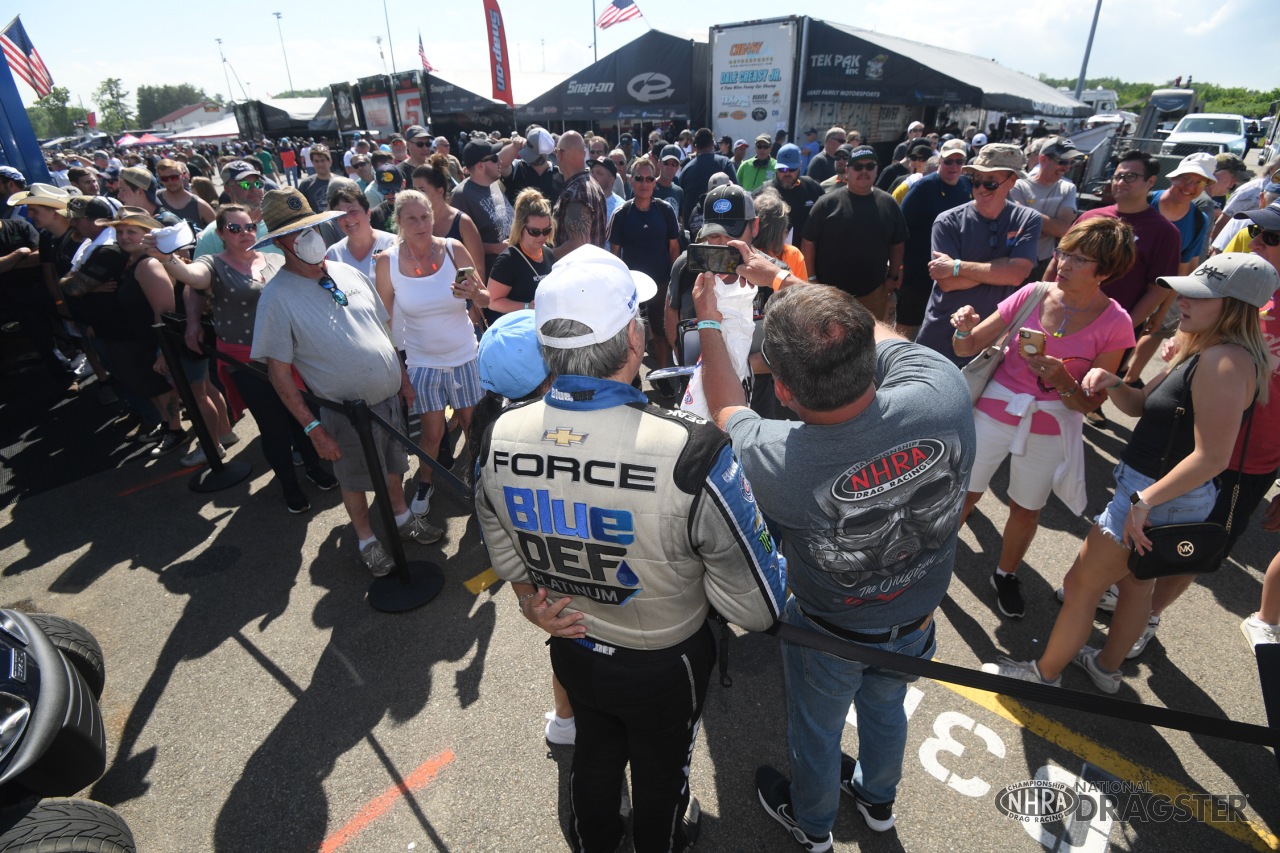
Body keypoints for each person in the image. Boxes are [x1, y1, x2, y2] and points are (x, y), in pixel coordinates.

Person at [473, 245, 785, 853]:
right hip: (664, 659)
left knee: (593, 750)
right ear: (635, 342)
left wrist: (528, 602)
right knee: (662, 774)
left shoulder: (499, 435)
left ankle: (594, 840)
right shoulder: (693, 451)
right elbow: (760, 608)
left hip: (572, 643)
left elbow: (503, 543)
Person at [691, 242, 974, 849]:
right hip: (918, 613)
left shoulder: (774, 458)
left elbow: (724, 407)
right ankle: (878, 801)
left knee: (816, 732)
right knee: (886, 706)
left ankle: (813, 825)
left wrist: (710, 321)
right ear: (869, 358)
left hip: (829, 629)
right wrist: (789, 281)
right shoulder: (942, 387)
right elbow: (871, 328)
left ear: (786, 393)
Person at [985, 253, 1275, 693]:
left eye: (1199, 295)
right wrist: (1115, 383)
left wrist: (1144, 501)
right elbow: (1141, 407)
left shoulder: (1224, 361)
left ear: (1234, 307)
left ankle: (1042, 675)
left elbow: (1213, 456)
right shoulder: (1209, 350)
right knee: (1136, 586)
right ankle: (1106, 668)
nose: (1182, 300)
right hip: (1163, 495)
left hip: (1154, 497)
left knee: (1080, 584)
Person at [950, 218, 1137, 618]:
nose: (1064, 263)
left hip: (1052, 421)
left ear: (1104, 271)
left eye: (1079, 258)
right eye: (1063, 252)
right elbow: (969, 347)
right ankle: (934, 560)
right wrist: (963, 328)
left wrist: (1062, 378)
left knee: (1027, 507)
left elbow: (1088, 405)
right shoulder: (1033, 293)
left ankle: (1006, 573)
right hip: (995, 408)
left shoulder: (1116, 321)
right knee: (965, 492)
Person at [251, 188, 442, 574]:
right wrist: (313, 428)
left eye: (312, 228)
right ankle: (367, 540)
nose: (310, 238)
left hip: (388, 400)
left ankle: (403, 519)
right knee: (353, 480)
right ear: (281, 245)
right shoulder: (277, 297)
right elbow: (278, 373)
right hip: (345, 413)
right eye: (297, 234)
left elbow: (383, 329)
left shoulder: (347, 271)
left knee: (393, 468)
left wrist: (402, 380)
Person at [1136, 203, 1280, 656]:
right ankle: (1130, 595)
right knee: (1148, 527)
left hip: (1249, 460)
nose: (1255, 238)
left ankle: (1148, 615)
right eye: (1256, 228)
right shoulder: (1245, 292)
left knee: (1192, 546)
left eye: (1271, 236)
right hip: (1185, 443)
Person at [154, 204, 336, 508]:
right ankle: (289, 485)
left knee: (303, 418)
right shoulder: (213, 264)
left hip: (290, 354)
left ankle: (315, 469)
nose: (245, 233)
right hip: (246, 359)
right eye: (235, 228)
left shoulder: (275, 258)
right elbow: (192, 279)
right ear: (222, 233)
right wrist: (166, 258)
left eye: (250, 226)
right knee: (273, 425)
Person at [375, 190, 487, 523]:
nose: (421, 224)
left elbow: (484, 297)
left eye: (425, 216)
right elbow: (386, 320)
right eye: (412, 218)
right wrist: (400, 371)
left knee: (473, 427)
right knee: (433, 433)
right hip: (422, 361)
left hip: (466, 354)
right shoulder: (387, 261)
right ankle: (425, 483)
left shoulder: (453, 250)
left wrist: (473, 294)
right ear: (399, 222)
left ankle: (482, 485)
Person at [63, 206, 186, 455]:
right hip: (135, 338)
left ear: (147, 234)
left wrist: (163, 350)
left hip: (150, 342)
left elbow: (164, 312)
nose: (124, 237)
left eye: (132, 231)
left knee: (161, 387)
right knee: (146, 385)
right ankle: (166, 424)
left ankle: (175, 429)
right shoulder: (127, 259)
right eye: (120, 232)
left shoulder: (149, 264)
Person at [914, 144, 1041, 364]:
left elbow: (1017, 274)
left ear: (1011, 181)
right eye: (976, 180)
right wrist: (1001, 267)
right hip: (941, 333)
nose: (981, 188)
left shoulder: (1028, 219)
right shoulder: (947, 221)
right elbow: (947, 283)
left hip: (992, 336)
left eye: (990, 182)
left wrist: (956, 266)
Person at [801, 145, 907, 322]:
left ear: (876, 170)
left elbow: (898, 242)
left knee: (871, 342)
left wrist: (893, 276)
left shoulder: (888, 204)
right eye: (858, 167)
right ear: (848, 170)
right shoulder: (827, 203)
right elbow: (808, 241)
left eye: (869, 166)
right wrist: (811, 279)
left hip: (873, 294)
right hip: (830, 294)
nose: (864, 171)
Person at [608, 158, 681, 372]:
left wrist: (671, 282)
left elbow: (674, 249)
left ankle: (664, 375)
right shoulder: (621, 214)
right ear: (630, 180)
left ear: (654, 181)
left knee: (661, 333)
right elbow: (615, 254)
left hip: (660, 283)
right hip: (632, 287)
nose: (644, 183)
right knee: (631, 334)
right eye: (639, 178)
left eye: (649, 178)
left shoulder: (666, 211)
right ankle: (633, 377)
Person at [412, 155, 487, 285]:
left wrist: (475, 299)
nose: (416, 195)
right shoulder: (412, 222)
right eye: (414, 190)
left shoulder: (463, 222)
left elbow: (478, 267)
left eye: (422, 190)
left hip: (461, 299)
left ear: (440, 191)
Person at [485, 189, 555, 325]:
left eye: (547, 230)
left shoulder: (548, 254)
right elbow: (492, 302)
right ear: (520, 227)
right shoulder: (508, 260)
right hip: (517, 332)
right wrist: (528, 307)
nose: (542, 236)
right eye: (534, 231)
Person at [452, 139, 515, 282]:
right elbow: (458, 243)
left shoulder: (495, 184)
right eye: (494, 159)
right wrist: (496, 248)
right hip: (489, 279)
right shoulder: (461, 195)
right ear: (480, 166)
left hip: (511, 272)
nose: (499, 161)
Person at [324, 183, 397, 281]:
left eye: (353, 211)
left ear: (368, 212)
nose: (348, 218)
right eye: (341, 214)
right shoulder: (333, 254)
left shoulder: (394, 244)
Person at [551, 131, 607, 255]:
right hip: (592, 270)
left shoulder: (576, 192)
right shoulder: (592, 184)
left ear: (560, 154)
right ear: (584, 154)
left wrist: (545, 256)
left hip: (576, 271)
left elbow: (578, 245)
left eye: (556, 152)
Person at [761, 144, 823, 247]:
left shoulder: (813, 189)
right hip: (772, 256)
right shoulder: (764, 192)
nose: (787, 173)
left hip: (804, 256)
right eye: (783, 169)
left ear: (800, 166)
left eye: (792, 169)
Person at [297, 144, 337, 213]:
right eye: (316, 161)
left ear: (330, 161)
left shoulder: (342, 182)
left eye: (322, 160)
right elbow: (300, 210)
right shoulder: (306, 185)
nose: (320, 164)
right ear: (312, 162)